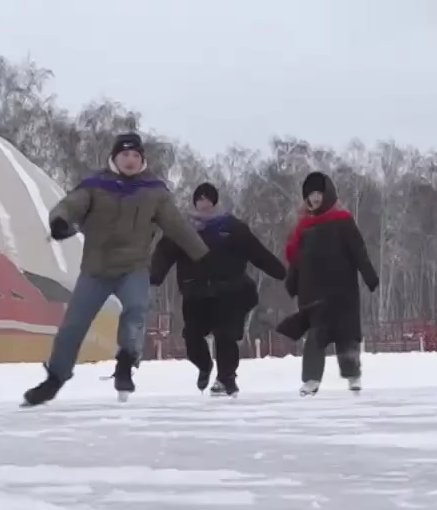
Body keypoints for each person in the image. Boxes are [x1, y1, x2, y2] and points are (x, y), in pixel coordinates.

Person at [23, 132, 210, 407]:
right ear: (114, 157)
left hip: (133, 268)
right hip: (96, 270)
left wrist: (202, 255)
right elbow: (70, 205)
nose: (130, 160)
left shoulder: (154, 192)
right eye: (125, 155)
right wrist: (60, 222)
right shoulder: (95, 186)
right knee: (73, 326)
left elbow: (178, 226)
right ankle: (55, 378)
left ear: (142, 159)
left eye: (136, 155)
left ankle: (126, 361)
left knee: (136, 308)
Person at [149, 181, 287, 397]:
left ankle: (226, 378)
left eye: (208, 200)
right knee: (192, 337)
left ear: (215, 202)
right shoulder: (181, 229)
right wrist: (154, 278)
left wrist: (282, 273)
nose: (204, 204)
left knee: (226, 335)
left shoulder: (232, 227)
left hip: (229, 291)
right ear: (194, 202)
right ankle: (204, 365)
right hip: (195, 293)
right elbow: (163, 255)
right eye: (200, 199)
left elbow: (258, 253)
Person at [282, 170, 378, 396]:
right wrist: (292, 282)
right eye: (310, 194)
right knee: (315, 338)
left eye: (318, 193)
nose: (314, 198)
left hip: (342, 293)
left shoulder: (343, 222)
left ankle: (353, 376)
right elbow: (298, 260)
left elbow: (359, 252)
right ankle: (311, 380)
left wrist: (369, 275)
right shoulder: (303, 228)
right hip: (314, 295)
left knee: (347, 338)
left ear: (328, 194)